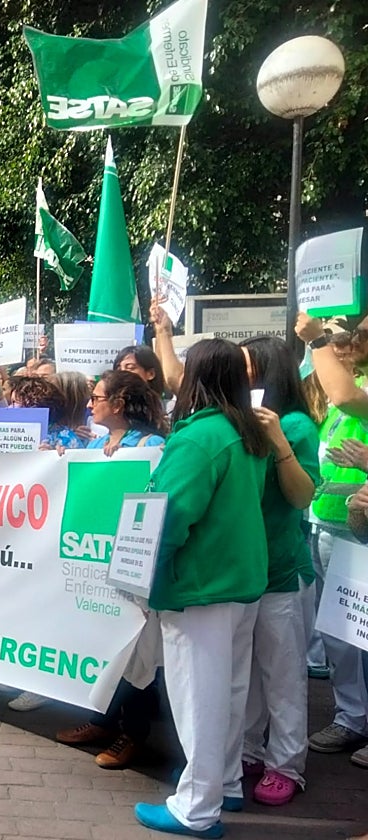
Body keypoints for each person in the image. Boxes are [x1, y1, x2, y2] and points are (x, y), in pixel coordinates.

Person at [133, 338, 271, 839]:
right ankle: (221, 782)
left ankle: (196, 807)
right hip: (240, 580)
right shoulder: (245, 431)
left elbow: (167, 517)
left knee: (199, 699)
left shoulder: (197, 438)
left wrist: (142, 574)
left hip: (200, 584)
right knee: (230, 693)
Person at [55, 371, 167, 765]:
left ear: (118, 404)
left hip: (133, 565)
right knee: (104, 643)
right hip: (96, 561)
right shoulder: (97, 444)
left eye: (97, 397)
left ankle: (133, 734)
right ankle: (100, 720)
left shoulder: (153, 446)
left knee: (135, 652)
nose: (89, 403)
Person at [238, 335, 321, 806]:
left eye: (246, 367)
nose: (239, 375)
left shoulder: (294, 426)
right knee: (247, 670)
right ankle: (249, 748)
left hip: (281, 570)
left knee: (283, 673)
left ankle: (287, 763)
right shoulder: (239, 422)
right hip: (243, 569)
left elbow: (301, 495)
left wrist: (279, 443)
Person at [294, 313, 368, 765]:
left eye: (360, 335)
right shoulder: (352, 385)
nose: (353, 340)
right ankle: (350, 718)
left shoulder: (354, 391)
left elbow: (342, 394)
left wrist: (318, 338)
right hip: (330, 522)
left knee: (355, 631)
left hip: (355, 528)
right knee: (340, 631)